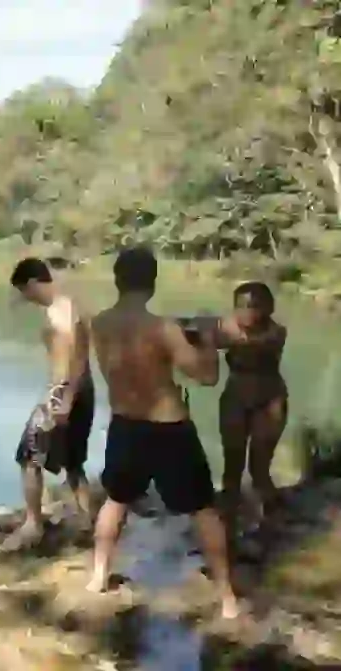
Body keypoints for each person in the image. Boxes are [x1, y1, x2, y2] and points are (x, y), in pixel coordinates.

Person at [88, 247, 239, 619]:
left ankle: (97, 576)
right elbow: (206, 377)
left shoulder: (100, 323)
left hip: (124, 423)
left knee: (116, 500)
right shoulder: (162, 328)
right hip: (168, 428)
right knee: (203, 508)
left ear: (117, 279)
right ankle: (228, 598)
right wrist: (205, 340)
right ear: (153, 281)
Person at [8, 257, 95, 543]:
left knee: (28, 456)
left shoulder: (61, 309)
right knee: (73, 461)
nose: (25, 298)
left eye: (24, 291)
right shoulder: (65, 305)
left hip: (63, 391)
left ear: (33, 283)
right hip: (78, 388)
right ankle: (87, 521)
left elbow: (79, 355)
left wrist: (66, 397)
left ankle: (34, 524)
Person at [217, 281, 288, 528]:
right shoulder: (227, 328)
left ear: (268, 308)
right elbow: (205, 337)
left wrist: (224, 335)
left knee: (259, 467)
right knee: (231, 465)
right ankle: (227, 524)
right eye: (241, 306)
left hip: (268, 401)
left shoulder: (277, 331)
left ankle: (268, 521)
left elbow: (257, 343)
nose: (247, 311)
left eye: (254, 306)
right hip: (235, 399)